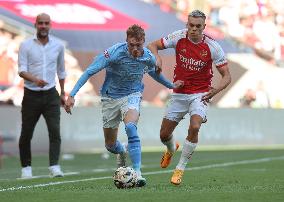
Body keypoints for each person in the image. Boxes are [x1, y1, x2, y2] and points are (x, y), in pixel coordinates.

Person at [64, 24, 183, 187]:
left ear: (143, 42)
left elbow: (154, 73)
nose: (135, 48)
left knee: (131, 128)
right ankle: (121, 151)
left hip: (132, 95)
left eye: (138, 45)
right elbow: (89, 71)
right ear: (126, 41)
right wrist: (72, 95)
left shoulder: (148, 56)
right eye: (131, 44)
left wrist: (171, 85)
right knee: (110, 145)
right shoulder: (114, 53)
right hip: (110, 98)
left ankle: (137, 173)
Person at [147, 10, 231, 185]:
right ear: (187, 24)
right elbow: (152, 45)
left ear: (204, 27)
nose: (193, 29)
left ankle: (180, 168)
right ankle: (171, 148)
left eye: (198, 26)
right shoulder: (178, 37)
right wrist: (157, 58)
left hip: (200, 94)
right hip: (179, 94)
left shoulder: (213, 47)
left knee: (194, 126)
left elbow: (227, 76)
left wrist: (215, 91)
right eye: (191, 25)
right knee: (164, 135)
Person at [18, 13, 66, 179]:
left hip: (51, 94)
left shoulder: (59, 46)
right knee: (26, 133)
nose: (43, 26)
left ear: (50, 25)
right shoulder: (25, 45)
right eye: (40, 23)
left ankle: (54, 166)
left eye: (46, 23)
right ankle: (26, 168)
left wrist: (63, 93)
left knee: (55, 132)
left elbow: (61, 71)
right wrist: (35, 80)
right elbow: (21, 70)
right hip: (31, 94)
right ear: (35, 25)